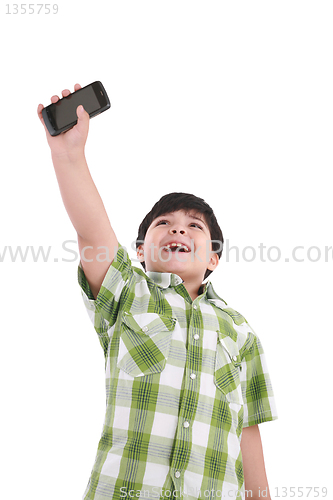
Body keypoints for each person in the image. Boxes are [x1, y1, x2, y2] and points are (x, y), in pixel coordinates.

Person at [38, 84, 278, 500]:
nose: (178, 229)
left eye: (194, 226)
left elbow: (249, 434)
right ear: (139, 252)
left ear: (213, 259)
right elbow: (92, 231)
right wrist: (69, 154)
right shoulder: (128, 294)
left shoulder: (241, 332)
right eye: (162, 224)